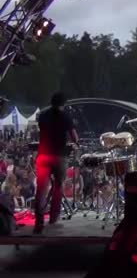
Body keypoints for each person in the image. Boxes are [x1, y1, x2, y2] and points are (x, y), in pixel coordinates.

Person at [33, 93, 78, 234]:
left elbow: (43, 132)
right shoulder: (66, 117)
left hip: (43, 155)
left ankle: (39, 222)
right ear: (63, 104)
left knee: (41, 190)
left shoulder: (43, 115)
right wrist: (75, 142)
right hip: (59, 156)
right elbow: (74, 137)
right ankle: (53, 218)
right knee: (58, 187)